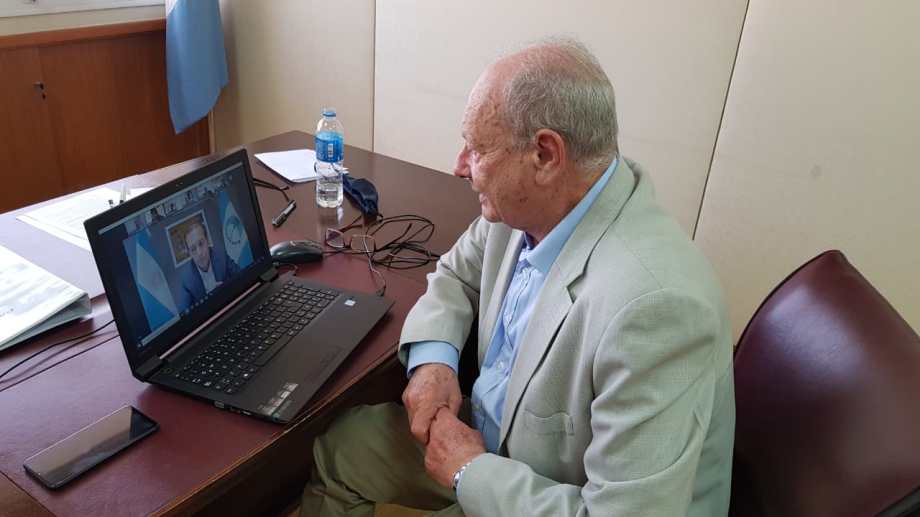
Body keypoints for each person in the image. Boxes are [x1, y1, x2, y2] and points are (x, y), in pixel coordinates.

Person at [301, 36, 735, 517]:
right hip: (489, 443)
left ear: (545, 155)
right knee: (342, 449)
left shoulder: (657, 309)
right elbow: (456, 276)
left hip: (547, 492)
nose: (459, 166)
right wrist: (433, 362)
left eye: (477, 148)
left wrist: (468, 471)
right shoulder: (533, 206)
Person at [177, 220, 239, 311]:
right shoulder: (186, 279)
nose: (199, 253)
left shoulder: (221, 256)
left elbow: (242, 277)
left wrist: (226, 288)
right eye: (193, 249)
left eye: (201, 243)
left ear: (208, 241)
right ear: (189, 253)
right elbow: (185, 312)